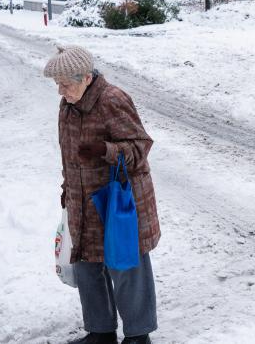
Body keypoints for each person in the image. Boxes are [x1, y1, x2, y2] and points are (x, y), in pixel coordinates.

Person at [44, 45, 160, 344]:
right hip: (82, 200)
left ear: (86, 78)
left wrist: (105, 150)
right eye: (57, 84)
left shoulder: (112, 100)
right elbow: (69, 154)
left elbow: (140, 147)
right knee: (87, 266)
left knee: (126, 267)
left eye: (65, 84)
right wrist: (67, 188)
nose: (60, 91)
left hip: (116, 200)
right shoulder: (68, 105)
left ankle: (138, 335)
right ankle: (101, 332)